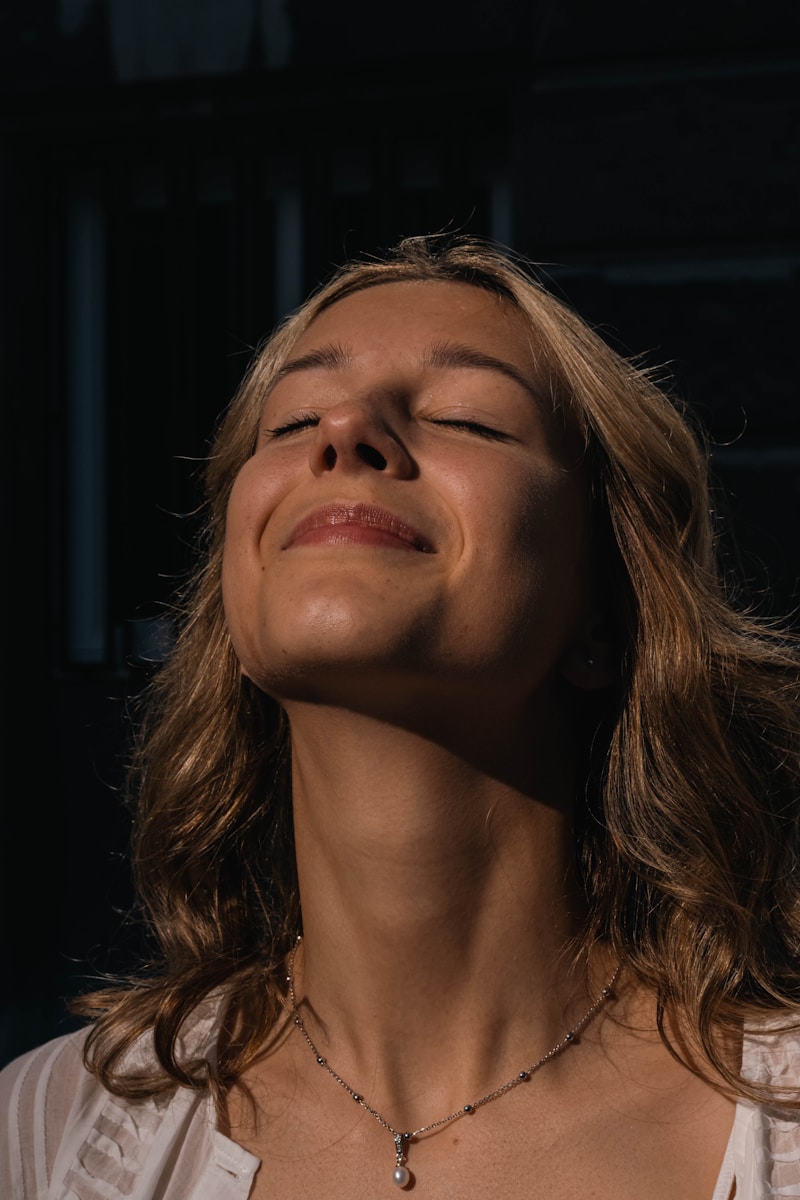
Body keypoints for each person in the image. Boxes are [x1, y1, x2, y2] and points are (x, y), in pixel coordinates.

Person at [2, 235, 799, 1199]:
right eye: (292, 420)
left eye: (468, 417)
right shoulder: (46, 1138)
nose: (344, 429)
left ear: (606, 608)